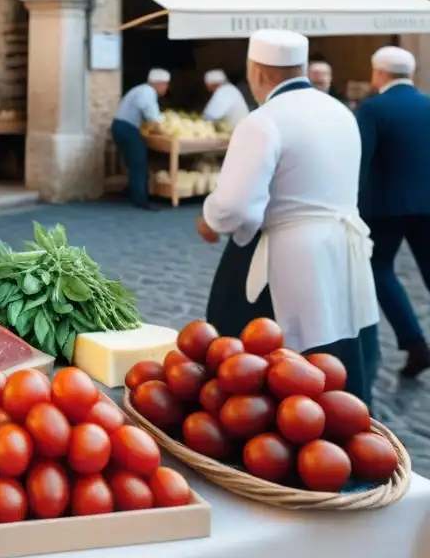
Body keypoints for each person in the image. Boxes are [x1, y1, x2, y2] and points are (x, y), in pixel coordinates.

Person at [198, 29, 380, 406]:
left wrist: (210, 221)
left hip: (287, 253)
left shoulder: (263, 120)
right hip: (344, 252)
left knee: (255, 361)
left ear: (258, 73)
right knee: (339, 346)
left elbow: (235, 206)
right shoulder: (341, 111)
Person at [355, 46, 430, 379]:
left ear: (379, 73)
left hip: (384, 206)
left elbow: (360, 160)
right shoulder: (428, 104)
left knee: (380, 270)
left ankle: (415, 344)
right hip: (427, 203)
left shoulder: (372, 109)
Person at [111, 68, 169, 210]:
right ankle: (140, 200)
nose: (166, 88)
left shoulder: (140, 89)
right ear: (159, 83)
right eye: (166, 84)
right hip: (127, 128)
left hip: (121, 126)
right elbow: (152, 116)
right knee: (139, 163)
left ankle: (132, 191)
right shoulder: (147, 92)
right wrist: (164, 128)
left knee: (133, 162)